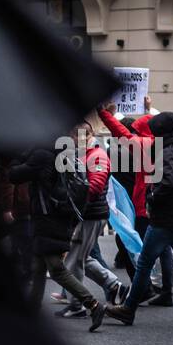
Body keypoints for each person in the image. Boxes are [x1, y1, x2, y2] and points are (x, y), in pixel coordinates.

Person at [105, 112, 173, 330]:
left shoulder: (165, 152)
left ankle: (128, 309)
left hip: (164, 219)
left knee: (144, 263)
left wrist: (153, 197)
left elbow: (169, 181)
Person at [8, 139, 108, 331]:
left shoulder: (41, 155)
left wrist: (19, 153)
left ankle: (94, 305)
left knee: (56, 269)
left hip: (47, 218)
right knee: (39, 266)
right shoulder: (62, 150)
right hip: (60, 216)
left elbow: (14, 175)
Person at [98, 104, 173, 305]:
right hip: (162, 204)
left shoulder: (143, 146)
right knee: (165, 248)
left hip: (144, 206)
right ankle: (165, 290)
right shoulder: (169, 146)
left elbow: (120, 132)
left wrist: (104, 113)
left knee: (136, 247)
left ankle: (140, 293)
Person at [57, 123, 128, 316]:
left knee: (73, 259)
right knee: (82, 257)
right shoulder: (87, 154)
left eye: (74, 136)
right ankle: (114, 286)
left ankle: (76, 305)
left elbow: (94, 186)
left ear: (85, 135)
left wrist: (76, 200)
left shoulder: (96, 155)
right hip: (89, 214)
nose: (72, 140)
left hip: (90, 215)